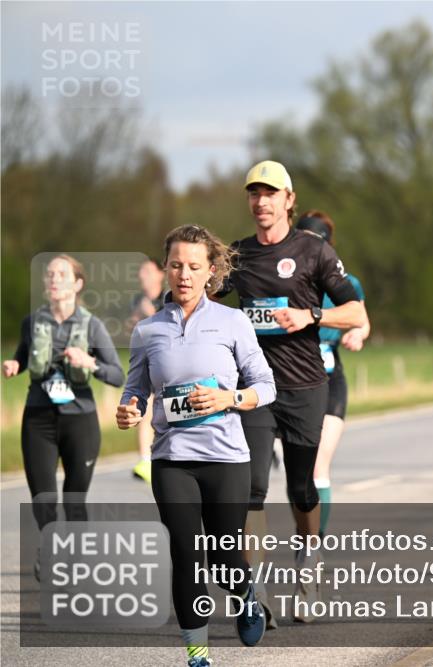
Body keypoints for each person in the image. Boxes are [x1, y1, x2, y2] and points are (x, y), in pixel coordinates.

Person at [118, 225, 276, 665]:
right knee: (185, 553)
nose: (183, 274)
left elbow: (266, 386)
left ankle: (244, 592)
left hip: (226, 458)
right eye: (175, 265)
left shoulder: (232, 322)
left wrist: (230, 398)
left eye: (193, 266)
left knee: (223, 557)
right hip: (172, 461)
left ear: (211, 271)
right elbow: (135, 390)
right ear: (165, 268)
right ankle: (196, 654)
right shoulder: (148, 330)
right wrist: (129, 409)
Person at [215, 160, 364, 624]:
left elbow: (355, 311)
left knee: (301, 489)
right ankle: (253, 592)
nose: (262, 201)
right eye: (254, 194)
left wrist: (311, 317)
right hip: (255, 389)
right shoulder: (237, 255)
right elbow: (202, 297)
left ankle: (309, 560)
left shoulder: (313, 251)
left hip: (305, 387)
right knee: (254, 488)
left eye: (271, 193)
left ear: (288, 200)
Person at [3, 255, 124, 558]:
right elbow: (22, 357)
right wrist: (14, 364)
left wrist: (89, 362)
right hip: (38, 419)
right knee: (42, 498)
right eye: (49, 274)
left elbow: (117, 375)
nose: (54, 279)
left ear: (78, 283)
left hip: (80, 421)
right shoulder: (32, 322)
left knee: (74, 499)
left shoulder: (92, 325)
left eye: (61, 273)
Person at [294, 210, 371, 538]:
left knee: (317, 466)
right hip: (291, 383)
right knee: (297, 475)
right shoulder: (284, 279)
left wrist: (358, 334)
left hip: (329, 381)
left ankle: (313, 545)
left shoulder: (345, 282)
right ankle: (306, 532)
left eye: (316, 243)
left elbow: (361, 320)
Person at [127, 258, 166, 483]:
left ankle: (157, 455)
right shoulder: (137, 300)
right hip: (143, 361)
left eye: (147, 271)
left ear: (160, 274)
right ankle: (144, 460)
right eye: (140, 271)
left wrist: (148, 312)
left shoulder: (168, 298)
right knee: (142, 406)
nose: (142, 275)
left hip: (164, 360)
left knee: (160, 410)